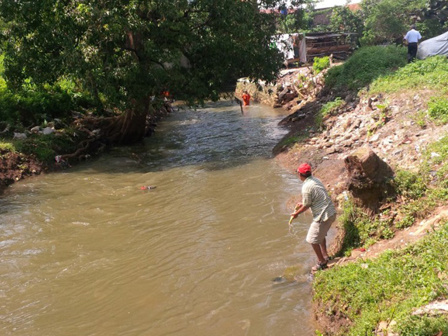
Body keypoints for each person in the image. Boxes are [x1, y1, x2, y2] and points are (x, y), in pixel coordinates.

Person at [290, 163, 337, 272]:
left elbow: (307, 205)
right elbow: (312, 199)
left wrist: (296, 214)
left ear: (300, 175)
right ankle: (325, 256)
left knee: (312, 239)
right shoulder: (315, 180)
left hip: (323, 216)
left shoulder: (306, 187)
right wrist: (303, 204)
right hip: (331, 212)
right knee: (319, 236)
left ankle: (322, 262)